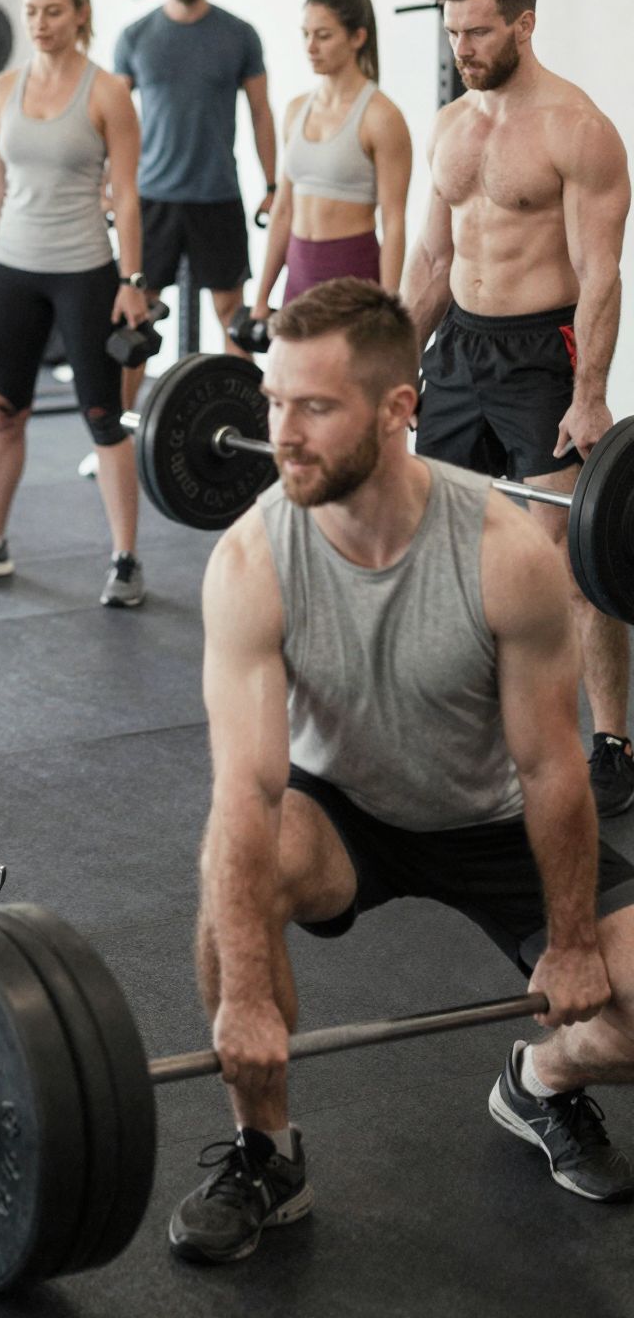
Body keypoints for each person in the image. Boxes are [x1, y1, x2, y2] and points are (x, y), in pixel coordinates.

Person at [170, 279, 634, 1269]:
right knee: (230, 886)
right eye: (274, 403)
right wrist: (245, 994)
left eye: (316, 407)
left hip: (496, 812)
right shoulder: (254, 555)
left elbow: (554, 765)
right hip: (343, 808)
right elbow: (247, 789)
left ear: (397, 409)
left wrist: (568, 943)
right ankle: (266, 1149)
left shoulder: (505, 552)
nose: (283, 433)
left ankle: (540, 1081)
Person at [402, 0, 633, 817]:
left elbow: (601, 274)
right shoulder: (451, 125)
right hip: (459, 349)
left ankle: (611, 739)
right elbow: (431, 260)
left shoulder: (578, 128)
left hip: (543, 353)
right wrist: (395, 365)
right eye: (453, 32)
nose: (462, 47)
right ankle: (467, 737)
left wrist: (590, 389)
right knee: (449, 551)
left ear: (525, 24)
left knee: (573, 560)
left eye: (479, 31)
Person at [0, 0, 150, 609]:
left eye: (53, 11)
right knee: (5, 413)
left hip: (85, 271)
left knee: (104, 420)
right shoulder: (2, 89)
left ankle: (127, 558)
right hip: (14, 273)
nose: (40, 23)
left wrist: (132, 279)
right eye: (30, 11)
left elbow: (130, 195)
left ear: (80, 13)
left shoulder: (107, 92)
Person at [114, 0, 276, 407]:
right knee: (135, 320)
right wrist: (108, 184)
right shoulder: (136, 37)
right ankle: (116, 436)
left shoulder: (238, 34)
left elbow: (261, 112)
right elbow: (113, 120)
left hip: (217, 195)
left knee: (233, 319)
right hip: (153, 198)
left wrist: (271, 183)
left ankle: (252, 422)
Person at [251, 0, 412, 318]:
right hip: (298, 275)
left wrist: (390, 304)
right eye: (305, 34)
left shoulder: (382, 117)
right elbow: (283, 210)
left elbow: (393, 220)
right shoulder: (296, 110)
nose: (311, 47)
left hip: (351, 274)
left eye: (323, 36)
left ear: (357, 38)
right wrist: (262, 296)